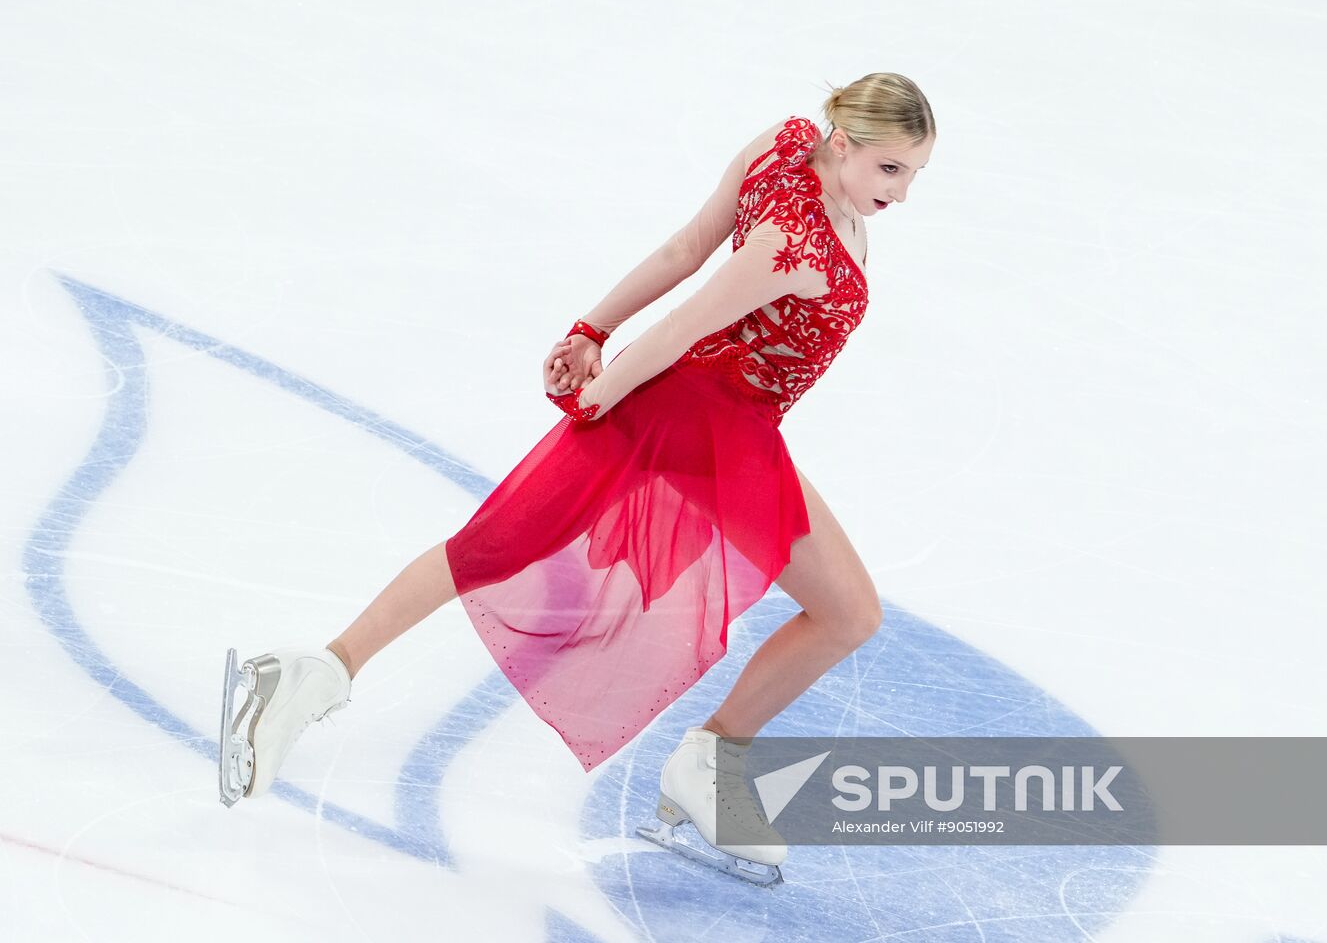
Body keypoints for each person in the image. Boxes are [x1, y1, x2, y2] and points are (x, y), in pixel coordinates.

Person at [218, 71, 936, 882]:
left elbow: (682, 251)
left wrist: (594, 328)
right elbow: (688, 310)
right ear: (841, 142)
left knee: (848, 612)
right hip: (674, 415)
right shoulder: (793, 244)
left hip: (731, 434)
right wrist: (599, 394)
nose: (902, 193)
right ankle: (309, 676)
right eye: (890, 169)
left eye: (912, 173)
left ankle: (711, 762)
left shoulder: (783, 148)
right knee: (493, 546)